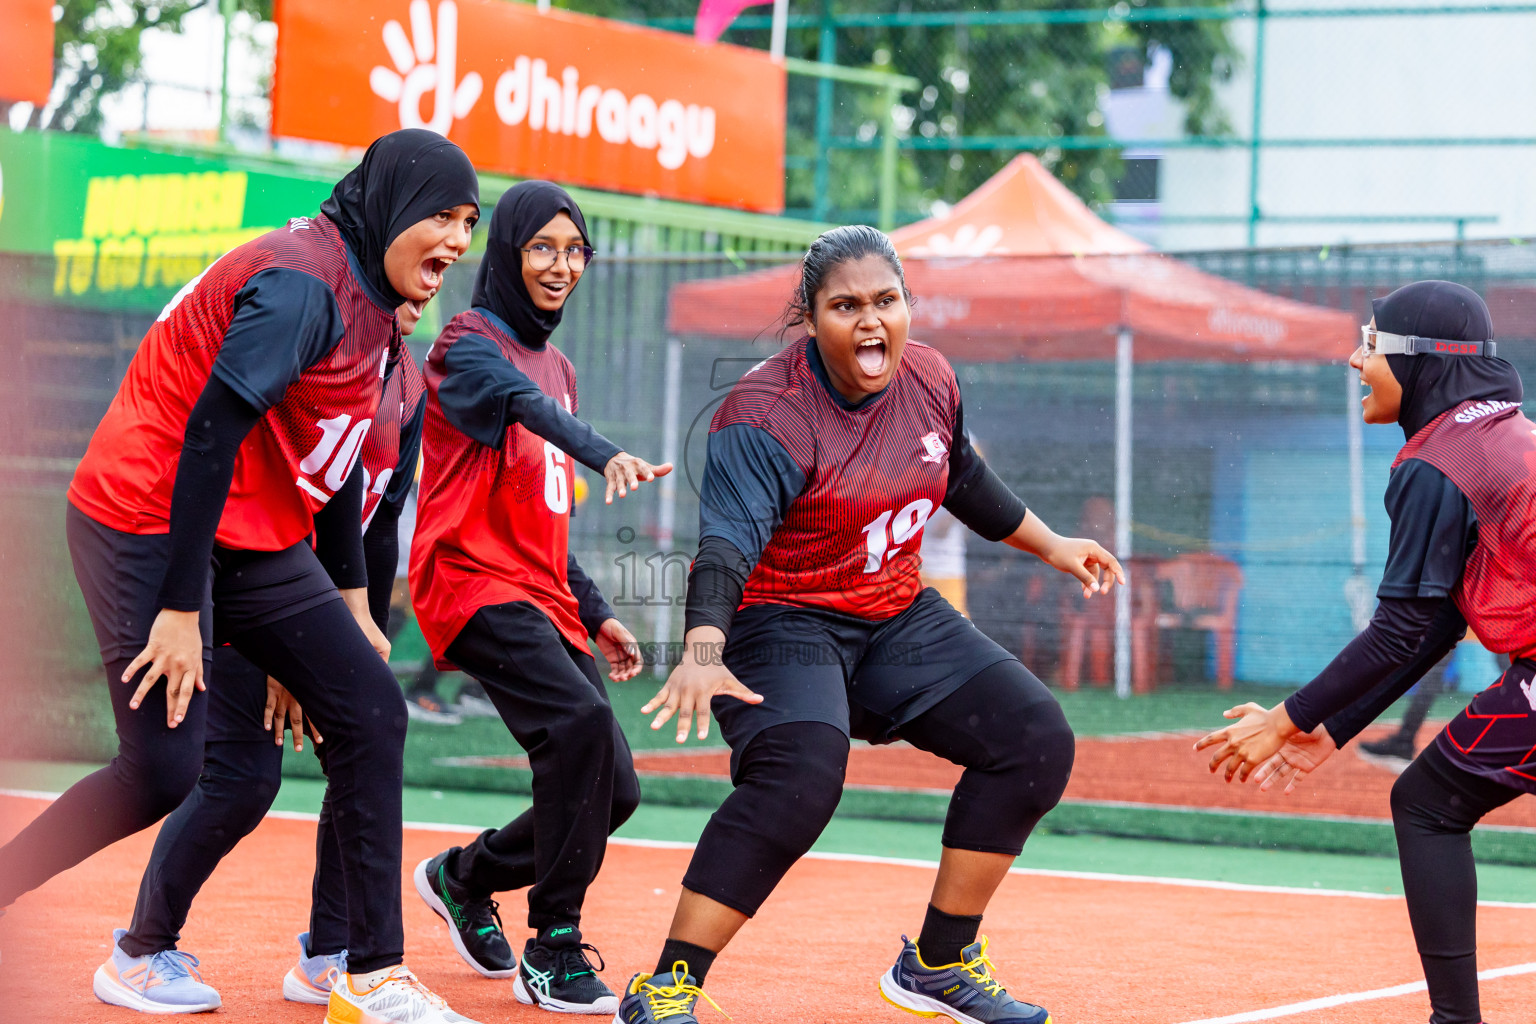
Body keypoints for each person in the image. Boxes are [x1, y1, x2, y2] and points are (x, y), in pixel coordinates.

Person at [0, 128, 482, 1024]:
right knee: (163, 772)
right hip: (142, 513)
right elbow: (212, 427)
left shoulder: (377, 312)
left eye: (469, 222)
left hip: (250, 526)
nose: (456, 239)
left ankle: (368, 974)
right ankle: (94, 935)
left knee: (371, 705)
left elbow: (332, 460)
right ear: (392, 204)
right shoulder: (304, 280)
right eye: (442, 216)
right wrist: (184, 609)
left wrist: (345, 611)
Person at [616, 225, 1122, 1024]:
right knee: (800, 776)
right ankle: (666, 986)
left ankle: (940, 963)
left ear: (907, 307)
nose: (870, 321)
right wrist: (702, 647)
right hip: (778, 618)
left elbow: (961, 477)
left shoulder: (930, 377)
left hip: (891, 612)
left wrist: (1052, 544)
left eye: (886, 301)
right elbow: (725, 546)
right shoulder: (765, 414)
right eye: (845, 305)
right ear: (810, 318)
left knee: (1033, 739)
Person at [1196, 280, 1528, 1024]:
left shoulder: (1441, 459)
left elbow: (1402, 628)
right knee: (1430, 798)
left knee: (1428, 804)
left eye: (1370, 344)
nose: (1354, 359)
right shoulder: (1492, 433)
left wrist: (1288, 718)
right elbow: (1435, 625)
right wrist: (1334, 728)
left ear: (1421, 361)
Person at [99, 291, 434, 1012]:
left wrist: (355, 631)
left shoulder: (406, 382)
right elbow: (281, 488)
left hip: (324, 597)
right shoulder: (321, 353)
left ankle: (330, 953)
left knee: (364, 744)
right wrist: (298, 651)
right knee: (241, 779)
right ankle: (140, 950)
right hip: (259, 573)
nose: (422, 286)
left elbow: (377, 526)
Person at [408, 181, 669, 1015]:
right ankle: (552, 947)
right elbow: (522, 408)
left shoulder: (562, 366)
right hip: (469, 582)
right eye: (543, 248)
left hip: (542, 592)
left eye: (576, 250)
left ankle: (464, 875)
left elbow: (544, 515)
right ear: (509, 254)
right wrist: (605, 453)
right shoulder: (465, 343)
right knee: (579, 729)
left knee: (616, 789)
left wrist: (596, 612)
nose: (562, 266)